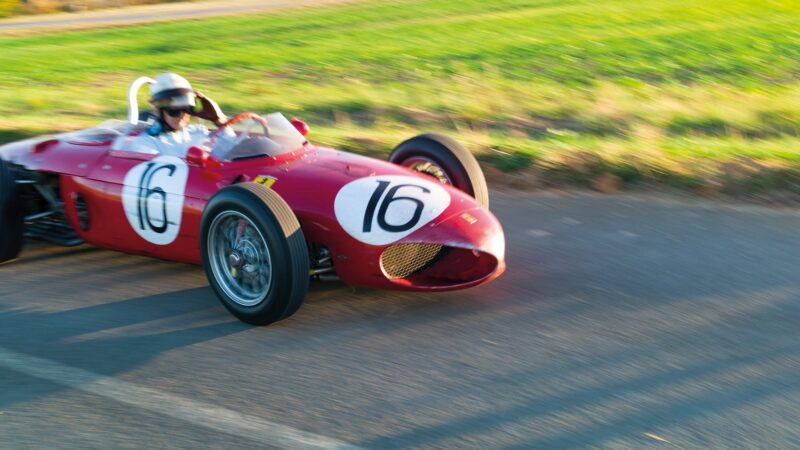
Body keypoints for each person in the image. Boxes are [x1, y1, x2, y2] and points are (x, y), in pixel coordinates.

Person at [132, 73, 231, 156]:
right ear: (159, 108)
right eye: (174, 109)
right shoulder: (146, 142)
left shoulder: (198, 132)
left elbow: (230, 148)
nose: (181, 115)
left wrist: (218, 120)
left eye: (187, 108)